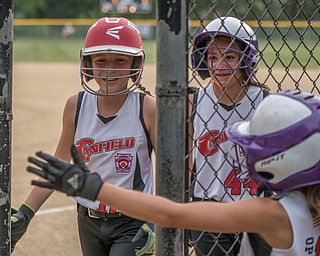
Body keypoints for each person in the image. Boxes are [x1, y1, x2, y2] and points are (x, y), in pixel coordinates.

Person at [27, 90, 320, 256]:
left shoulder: (271, 214)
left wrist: (94, 188)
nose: (248, 153)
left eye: (256, 148)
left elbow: (172, 215)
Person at [11, 17, 156, 256]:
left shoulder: (147, 108)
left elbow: (171, 174)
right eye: (101, 60)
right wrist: (26, 213)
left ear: (135, 64)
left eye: (120, 60)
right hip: (88, 218)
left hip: (134, 220)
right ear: (87, 63)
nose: (109, 68)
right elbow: (59, 164)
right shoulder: (76, 106)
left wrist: (157, 221)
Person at [188, 16, 270, 255]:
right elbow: (187, 160)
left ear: (247, 60)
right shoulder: (195, 101)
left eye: (230, 57)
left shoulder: (264, 102)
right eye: (212, 57)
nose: (219, 65)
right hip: (209, 211)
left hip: (255, 210)